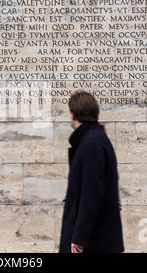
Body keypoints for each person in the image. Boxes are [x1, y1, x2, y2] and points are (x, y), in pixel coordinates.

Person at [59, 90, 124, 253]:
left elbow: (92, 195)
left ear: (73, 114)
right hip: (96, 240)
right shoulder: (93, 140)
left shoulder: (91, 144)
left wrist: (79, 238)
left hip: (93, 243)